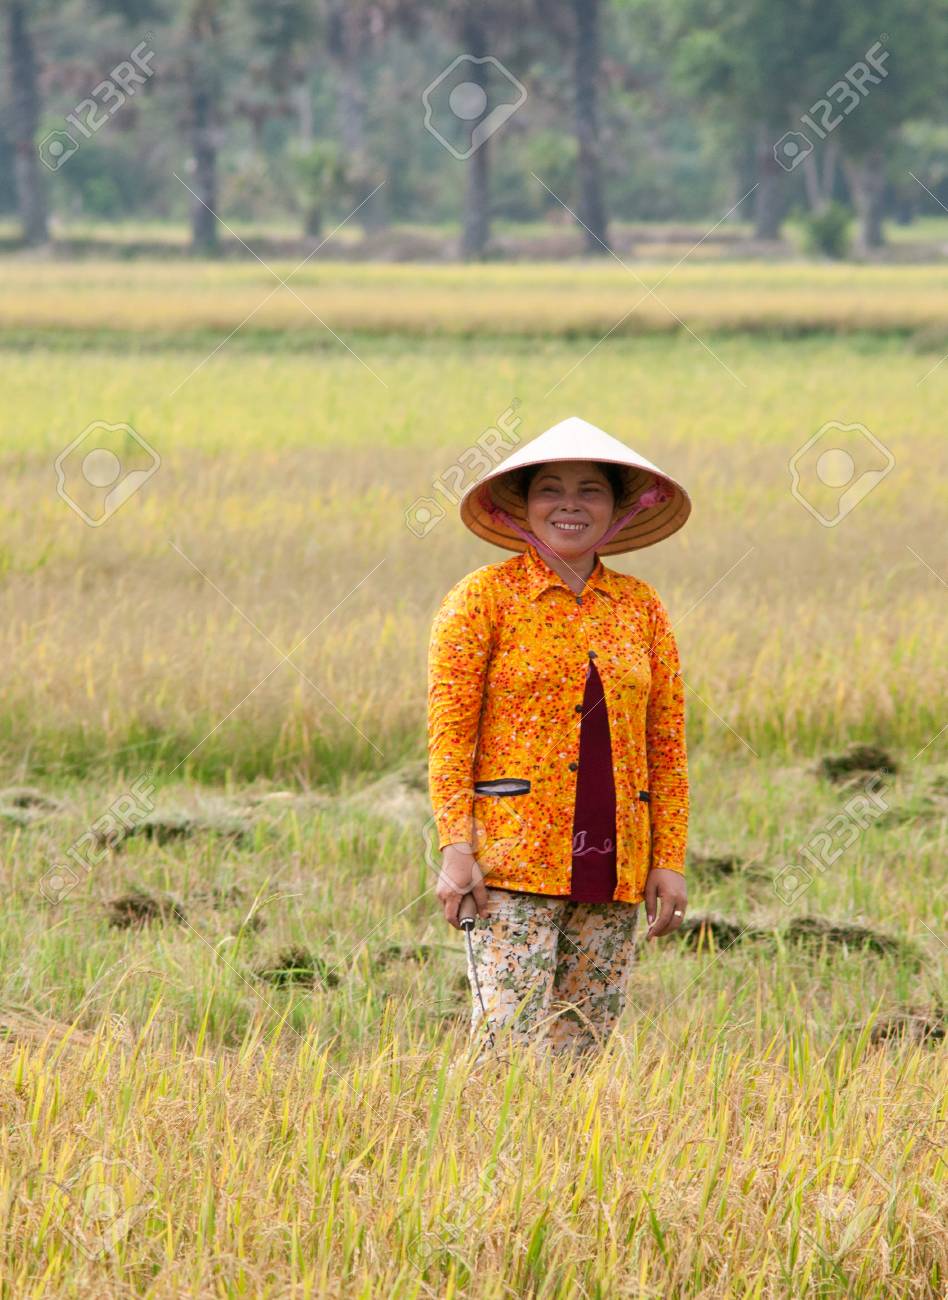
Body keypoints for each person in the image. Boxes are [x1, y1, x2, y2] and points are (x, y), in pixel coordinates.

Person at [426, 416, 692, 1065]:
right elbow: (450, 734)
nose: (569, 505)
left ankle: (564, 1164)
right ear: (522, 505)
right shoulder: (482, 599)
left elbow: (667, 742)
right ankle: (482, 1160)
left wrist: (669, 856)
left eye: (590, 491)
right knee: (507, 1047)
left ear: (618, 508)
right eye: (550, 489)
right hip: (510, 861)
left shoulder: (641, 608)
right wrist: (456, 846)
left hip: (615, 864)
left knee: (582, 1050)